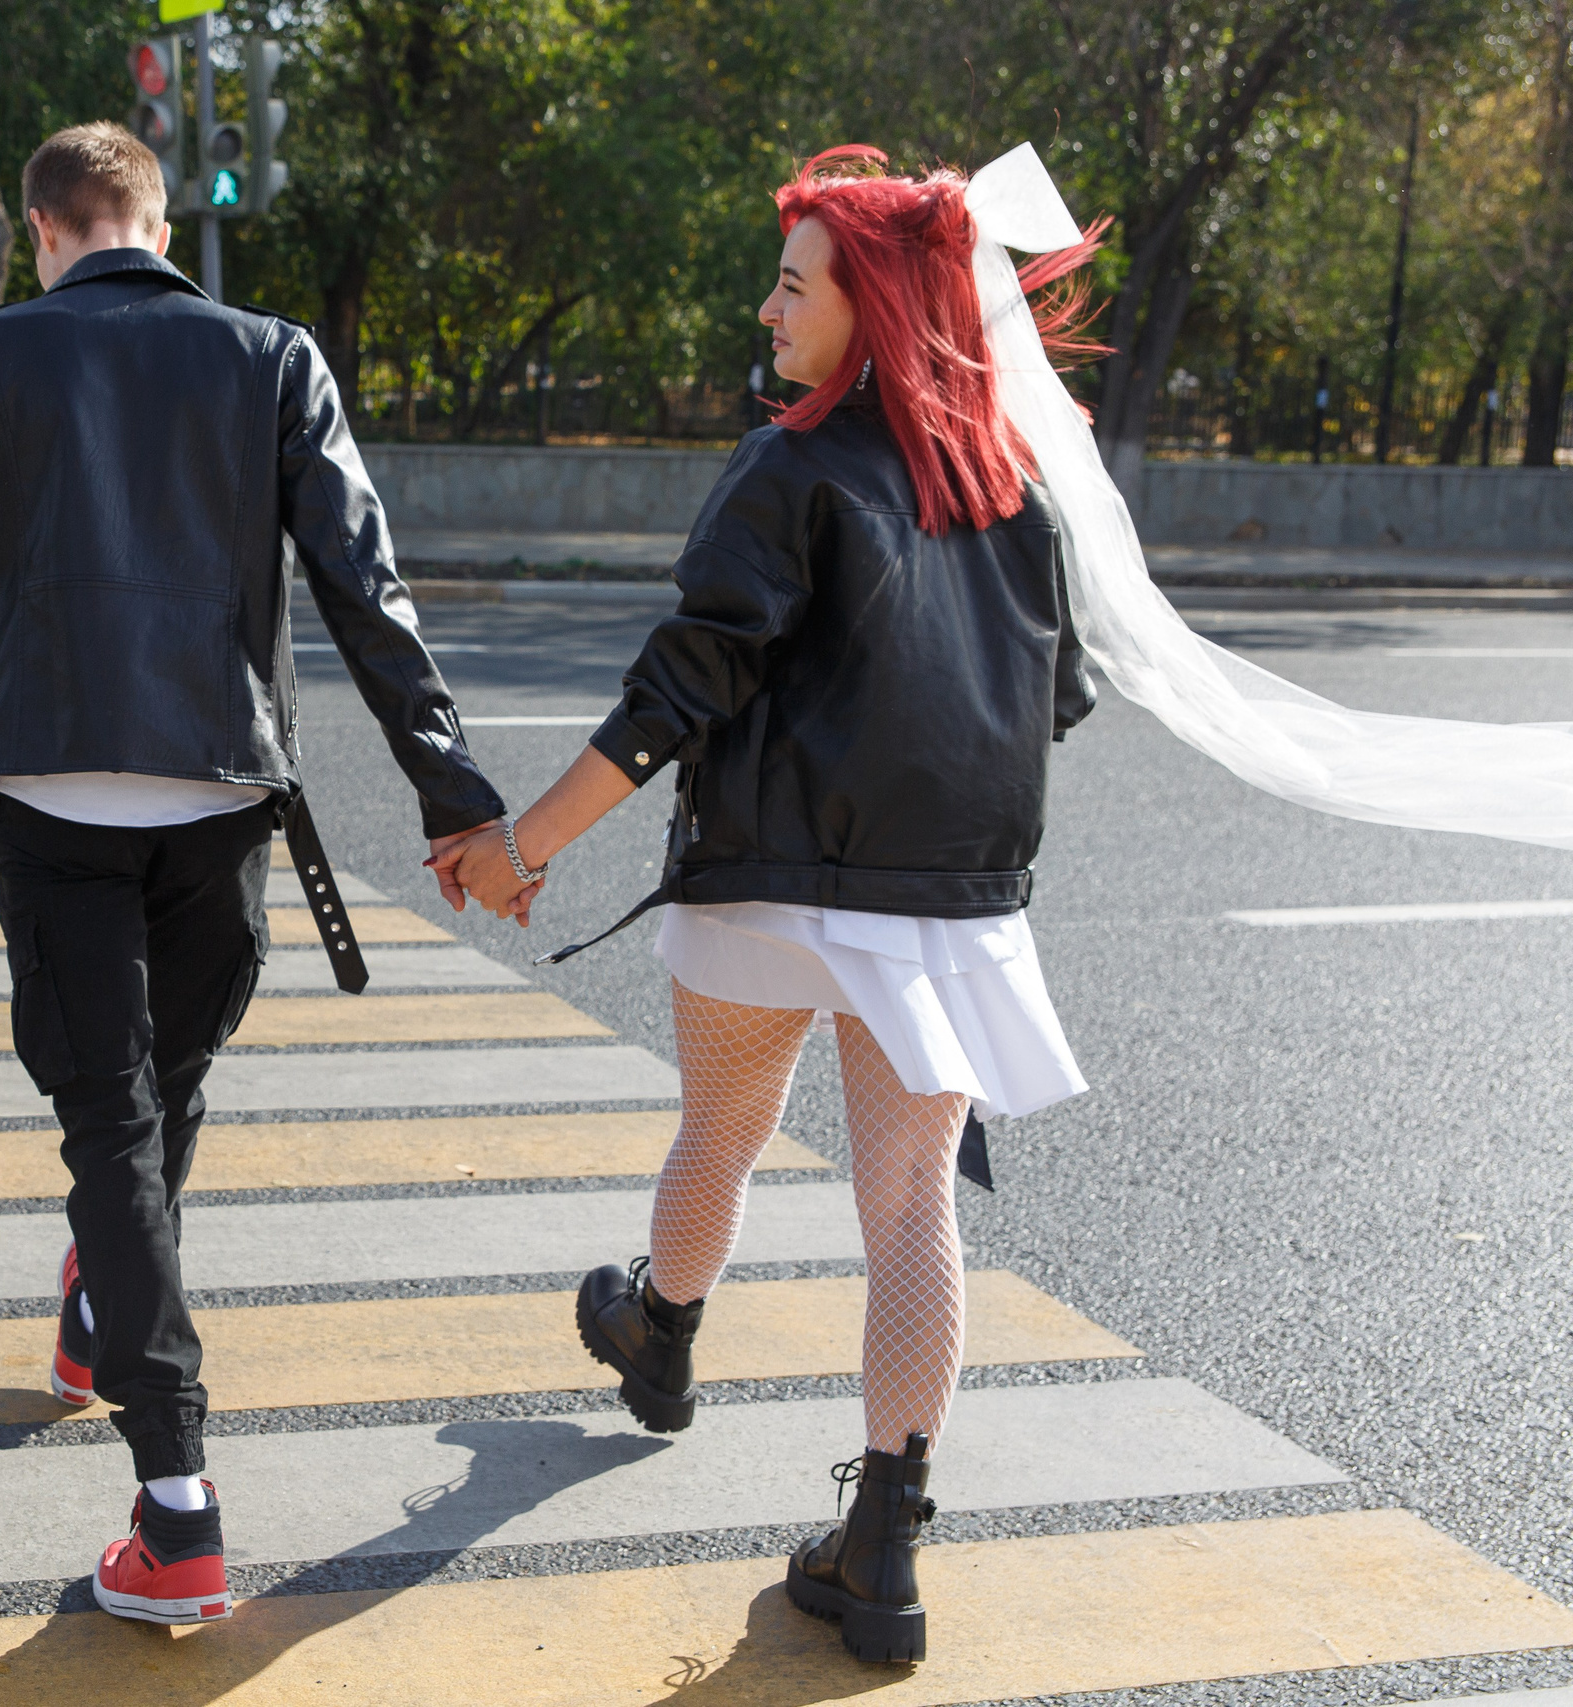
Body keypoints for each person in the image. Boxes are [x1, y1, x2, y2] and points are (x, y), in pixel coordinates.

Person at [0, 121, 505, 1627]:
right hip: (222, 791)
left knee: (116, 1116)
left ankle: (177, 1506)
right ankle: (101, 1303)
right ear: (156, 223)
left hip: (52, 790)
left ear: (40, 228)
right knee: (156, 1094)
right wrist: (449, 787)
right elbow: (363, 583)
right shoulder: (272, 356)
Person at [437, 146, 1107, 1666]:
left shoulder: (791, 467)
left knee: (724, 1132)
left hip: (768, 887)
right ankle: (885, 1549)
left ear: (868, 304)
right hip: (945, 914)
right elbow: (1055, 696)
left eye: (794, 284)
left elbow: (685, 686)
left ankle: (659, 1344)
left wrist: (520, 845)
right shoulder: (1011, 489)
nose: (769, 307)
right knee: (909, 1207)